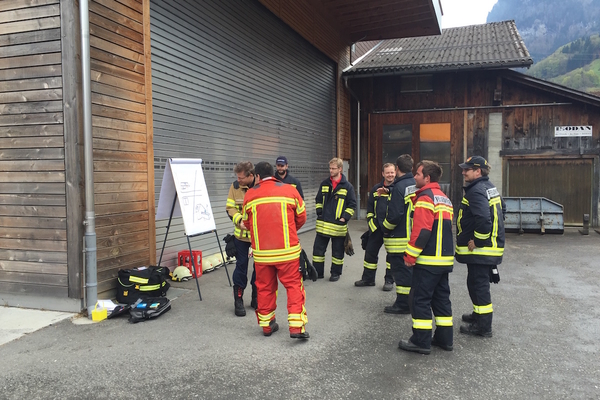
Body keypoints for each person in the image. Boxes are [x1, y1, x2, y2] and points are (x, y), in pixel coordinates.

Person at [241, 161, 309, 338]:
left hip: (262, 254)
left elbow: (247, 223)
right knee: (293, 287)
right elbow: (301, 217)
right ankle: (296, 327)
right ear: (273, 174)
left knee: (265, 288)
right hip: (288, 252)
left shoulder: (250, 195)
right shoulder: (289, 190)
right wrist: (289, 230)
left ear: (257, 176)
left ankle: (267, 325)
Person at [398, 161, 454, 355]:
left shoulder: (425, 198)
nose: (415, 177)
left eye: (418, 174)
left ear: (427, 178)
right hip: (444, 260)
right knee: (441, 299)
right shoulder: (444, 198)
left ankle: (421, 341)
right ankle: (445, 339)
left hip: (428, 260)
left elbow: (422, 231)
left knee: (419, 299)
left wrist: (410, 256)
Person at [455, 156, 505, 338]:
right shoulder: (489, 187)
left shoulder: (476, 191)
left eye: (466, 169)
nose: (463, 172)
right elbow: (502, 209)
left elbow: (484, 219)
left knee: (478, 286)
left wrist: (478, 241)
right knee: (475, 283)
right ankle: (478, 314)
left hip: (481, 249)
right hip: (490, 247)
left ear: (478, 171)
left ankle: (483, 326)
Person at [381, 155, 417, 314]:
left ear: (397, 169)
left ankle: (403, 304)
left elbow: (394, 215)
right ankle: (411, 301)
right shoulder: (414, 184)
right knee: (410, 273)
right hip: (412, 237)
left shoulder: (399, 187)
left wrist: (385, 228)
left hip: (399, 239)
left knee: (401, 275)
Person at [312, 158, 357, 281]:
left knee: (337, 253)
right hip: (323, 225)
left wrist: (345, 218)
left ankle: (335, 273)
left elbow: (352, 204)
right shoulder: (324, 183)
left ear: (340, 169)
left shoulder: (347, 187)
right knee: (318, 251)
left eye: (333, 168)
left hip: (338, 226)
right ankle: (317, 272)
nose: (331, 171)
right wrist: (319, 212)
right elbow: (318, 199)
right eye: (330, 168)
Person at [354, 163, 396, 290]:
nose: (390, 175)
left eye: (392, 172)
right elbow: (370, 209)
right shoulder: (376, 189)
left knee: (391, 257)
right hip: (377, 228)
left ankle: (389, 281)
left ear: (395, 173)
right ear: (383, 174)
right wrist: (372, 225)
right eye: (387, 172)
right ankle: (368, 279)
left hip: (392, 229)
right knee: (370, 253)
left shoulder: (398, 189)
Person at [226, 161, 258, 317]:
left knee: (260, 269)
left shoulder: (260, 187)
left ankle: (256, 297)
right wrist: (239, 221)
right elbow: (230, 207)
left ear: (251, 176)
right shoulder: (235, 187)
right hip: (241, 237)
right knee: (241, 267)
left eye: (241, 178)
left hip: (258, 237)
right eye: (237, 177)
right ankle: (238, 299)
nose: (238, 180)